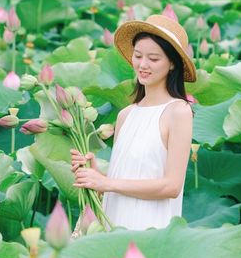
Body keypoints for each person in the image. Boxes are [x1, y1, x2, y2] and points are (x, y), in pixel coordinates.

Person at [71, 13, 196, 230]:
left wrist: (107, 183)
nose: (143, 65)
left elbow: (171, 186)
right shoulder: (126, 115)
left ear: (172, 64)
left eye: (154, 59)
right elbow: (124, 179)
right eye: (138, 56)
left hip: (150, 228)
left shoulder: (178, 111)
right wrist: (94, 175)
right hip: (113, 222)